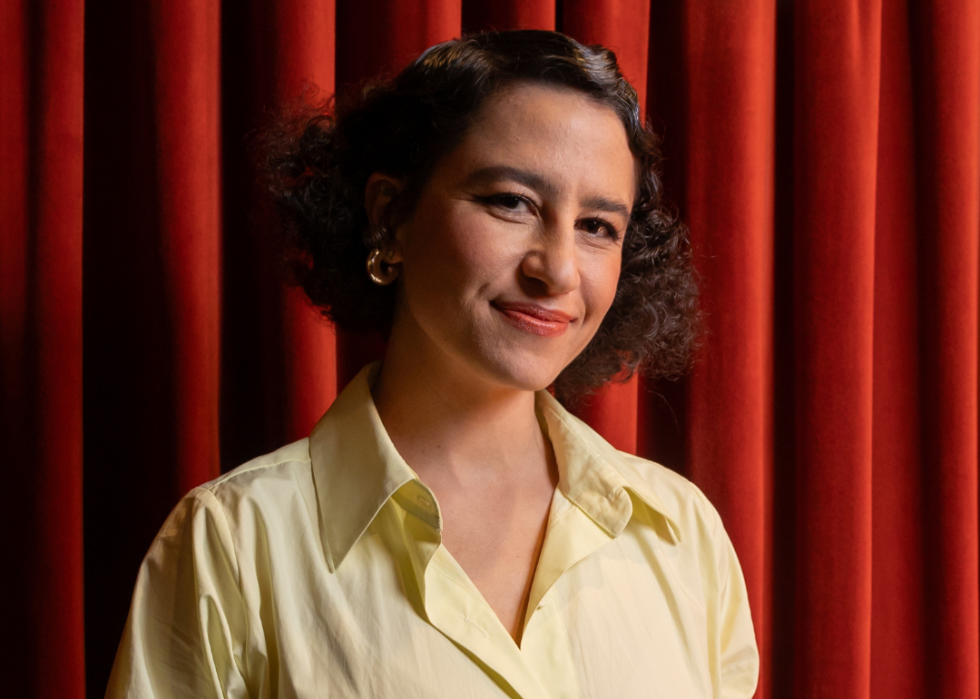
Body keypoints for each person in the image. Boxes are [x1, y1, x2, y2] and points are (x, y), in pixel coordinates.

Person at [106, 30, 758, 699]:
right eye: (512, 202)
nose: (558, 269)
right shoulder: (234, 546)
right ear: (390, 216)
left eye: (597, 226)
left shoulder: (683, 534)